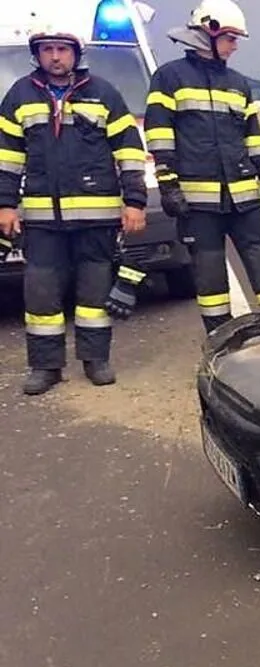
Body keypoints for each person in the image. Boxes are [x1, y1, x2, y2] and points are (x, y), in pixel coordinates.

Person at [0, 27, 148, 395]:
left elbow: (129, 151)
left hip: (97, 218)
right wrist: (4, 204)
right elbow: (6, 158)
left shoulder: (103, 94)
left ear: (75, 54)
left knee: (94, 293)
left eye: (62, 50)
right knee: (41, 295)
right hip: (42, 221)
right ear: (38, 54)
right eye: (48, 49)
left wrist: (135, 202)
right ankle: (45, 367)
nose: (55, 56)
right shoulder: (19, 95)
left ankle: (96, 360)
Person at [143, 0, 260, 334]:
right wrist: (167, 184)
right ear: (206, 33)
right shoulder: (169, 77)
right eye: (230, 38)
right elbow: (159, 132)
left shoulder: (238, 83)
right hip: (198, 199)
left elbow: (252, 137)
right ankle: (220, 335)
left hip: (243, 195)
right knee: (208, 267)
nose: (235, 46)